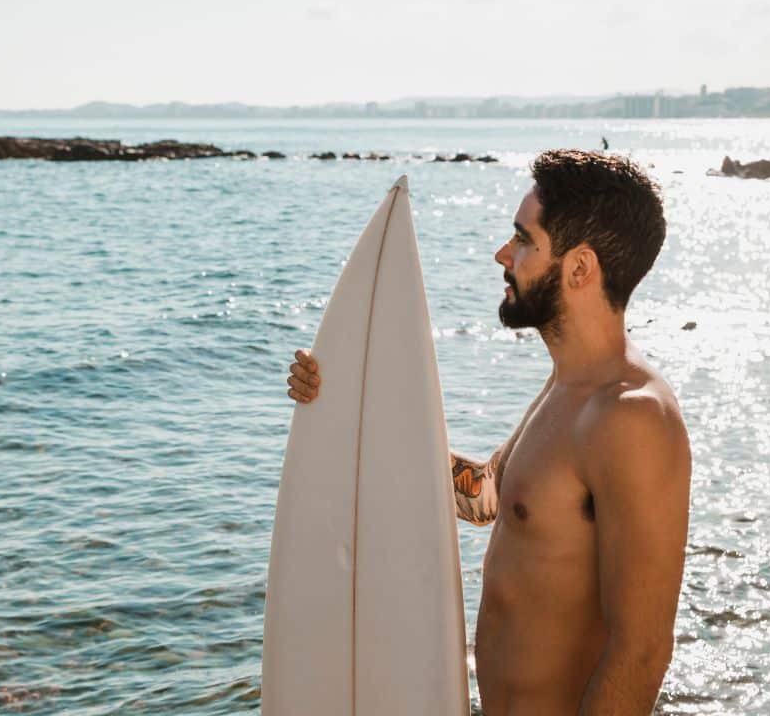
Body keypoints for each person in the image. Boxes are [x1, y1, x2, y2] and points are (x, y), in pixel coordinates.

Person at [286, 149, 691, 716]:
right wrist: (348, 409)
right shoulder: (564, 392)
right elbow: (485, 496)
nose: (503, 255)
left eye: (523, 240)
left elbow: (642, 651)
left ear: (579, 268)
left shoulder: (631, 417)